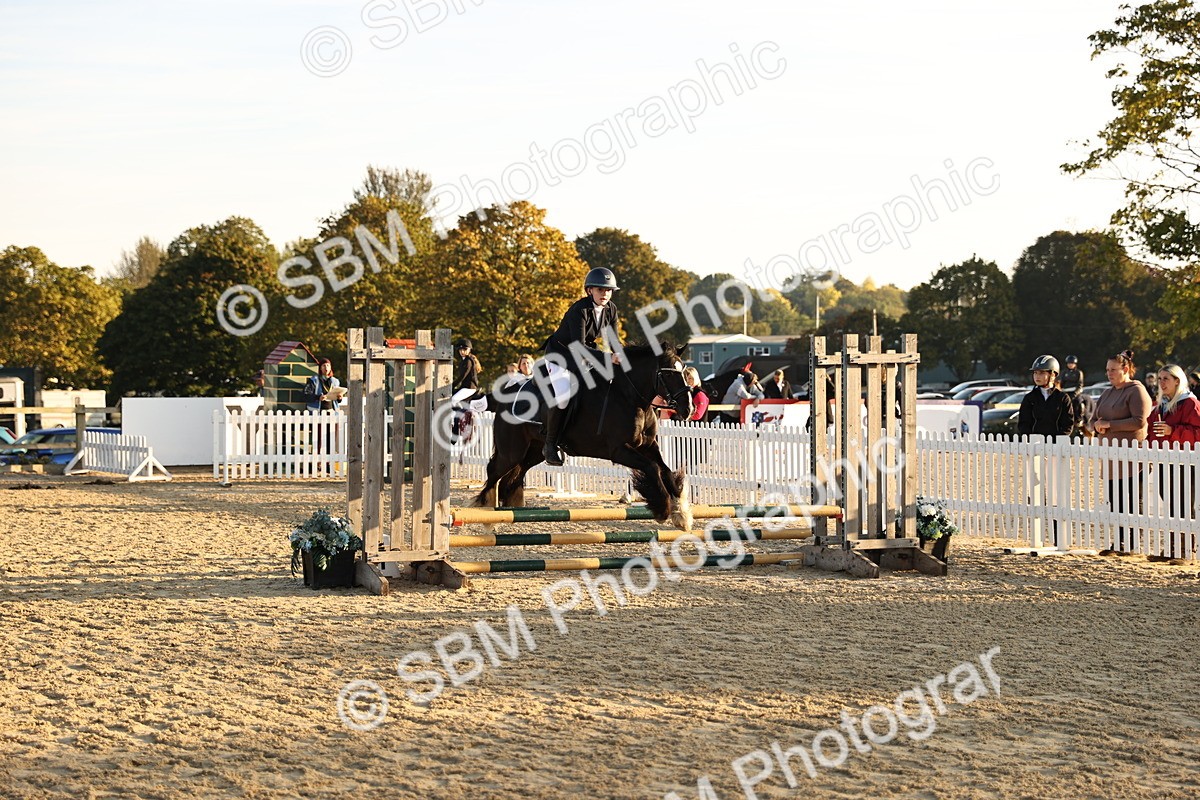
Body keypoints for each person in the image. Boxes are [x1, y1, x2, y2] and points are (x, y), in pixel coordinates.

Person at [541, 267, 622, 465]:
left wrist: (622, 356)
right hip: (560, 355)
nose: (605, 294)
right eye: (600, 290)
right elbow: (578, 347)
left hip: (585, 354)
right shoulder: (580, 310)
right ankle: (550, 444)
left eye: (608, 290)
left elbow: (613, 341)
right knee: (562, 396)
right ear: (589, 291)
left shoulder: (611, 309)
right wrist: (607, 358)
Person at [1091, 349, 1152, 553]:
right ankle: (1119, 541)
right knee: (1114, 501)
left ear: (1125, 369)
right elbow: (1094, 419)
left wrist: (1109, 425)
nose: (1109, 373)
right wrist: (1096, 426)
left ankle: (1132, 543)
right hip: (1110, 457)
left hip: (1133, 458)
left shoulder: (1136, 390)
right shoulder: (1107, 392)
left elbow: (1139, 421)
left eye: (1113, 370)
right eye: (1107, 370)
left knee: (1132, 500)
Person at [1147, 364, 1200, 556]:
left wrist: (1173, 431)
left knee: (1184, 505)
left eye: (1165, 379)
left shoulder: (1190, 404)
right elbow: (1151, 430)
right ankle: (1172, 547)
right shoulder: (1161, 404)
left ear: (1177, 380)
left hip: (1185, 463)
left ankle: (1186, 549)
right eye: (1160, 379)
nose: (1161, 383)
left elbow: (1198, 433)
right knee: (1170, 504)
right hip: (1164, 461)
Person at [1017, 356, 1075, 438]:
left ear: (1053, 375)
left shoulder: (1063, 398)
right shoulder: (1029, 398)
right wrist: (1030, 438)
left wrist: (1058, 439)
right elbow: (1023, 423)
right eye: (1035, 373)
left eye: (1041, 373)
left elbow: (1068, 423)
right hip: (1034, 445)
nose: (1037, 376)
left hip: (1057, 445)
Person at [452, 338, 482, 404]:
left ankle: (463, 414)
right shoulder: (464, 360)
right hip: (465, 387)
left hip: (469, 388)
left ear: (469, 350)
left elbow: (463, 375)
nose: (462, 352)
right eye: (460, 350)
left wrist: (453, 385)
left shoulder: (468, 361)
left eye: (464, 349)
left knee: (453, 400)